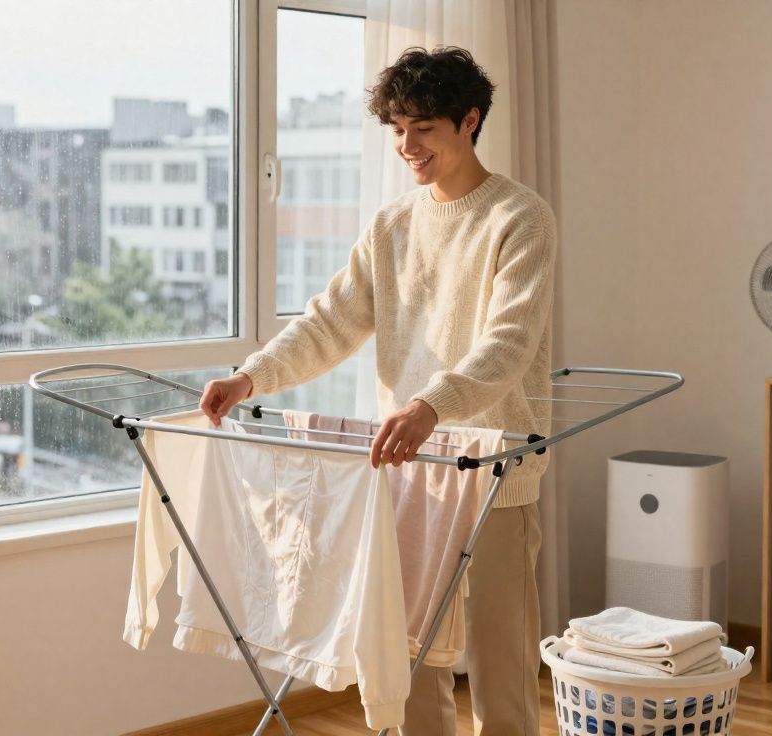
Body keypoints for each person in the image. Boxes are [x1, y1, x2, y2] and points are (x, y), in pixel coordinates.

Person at [199, 46, 556, 735]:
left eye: (422, 127)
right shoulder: (392, 225)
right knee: (407, 654)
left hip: (493, 470)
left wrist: (431, 405)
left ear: (469, 120)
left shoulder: (521, 218)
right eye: (396, 129)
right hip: (407, 466)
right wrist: (252, 376)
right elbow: (330, 321)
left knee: (499, 661)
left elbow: (508, 344)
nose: (405, 145)